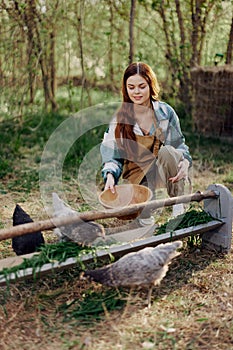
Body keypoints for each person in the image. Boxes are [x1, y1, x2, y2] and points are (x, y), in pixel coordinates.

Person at [100, 62, 192, 225]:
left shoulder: (165, 113)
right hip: (138, 174)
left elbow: (179, 146)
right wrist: (109, 176)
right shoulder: (120, 119)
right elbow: (112, 155)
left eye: (142, 86)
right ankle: (146, 211)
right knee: (143, 215)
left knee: (168, 152)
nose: (136, 92)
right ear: (125, 89)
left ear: (150, 85)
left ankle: (178, 205)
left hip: (162, 170)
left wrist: (184, 162)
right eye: (131, 87)